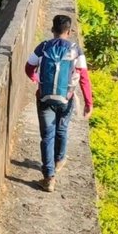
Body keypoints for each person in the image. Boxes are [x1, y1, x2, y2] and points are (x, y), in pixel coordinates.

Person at [25, 15, 93, 192]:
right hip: (66, 100)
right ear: (69, 32)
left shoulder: (43, 47)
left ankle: (49, 178)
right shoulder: (76, 50)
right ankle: (59, 159)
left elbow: (29, 67)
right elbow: (84, 78)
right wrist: (88, 102)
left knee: (47, 136)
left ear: (52, 29)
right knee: (62, 130)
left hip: (44, 98)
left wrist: (35, 79)